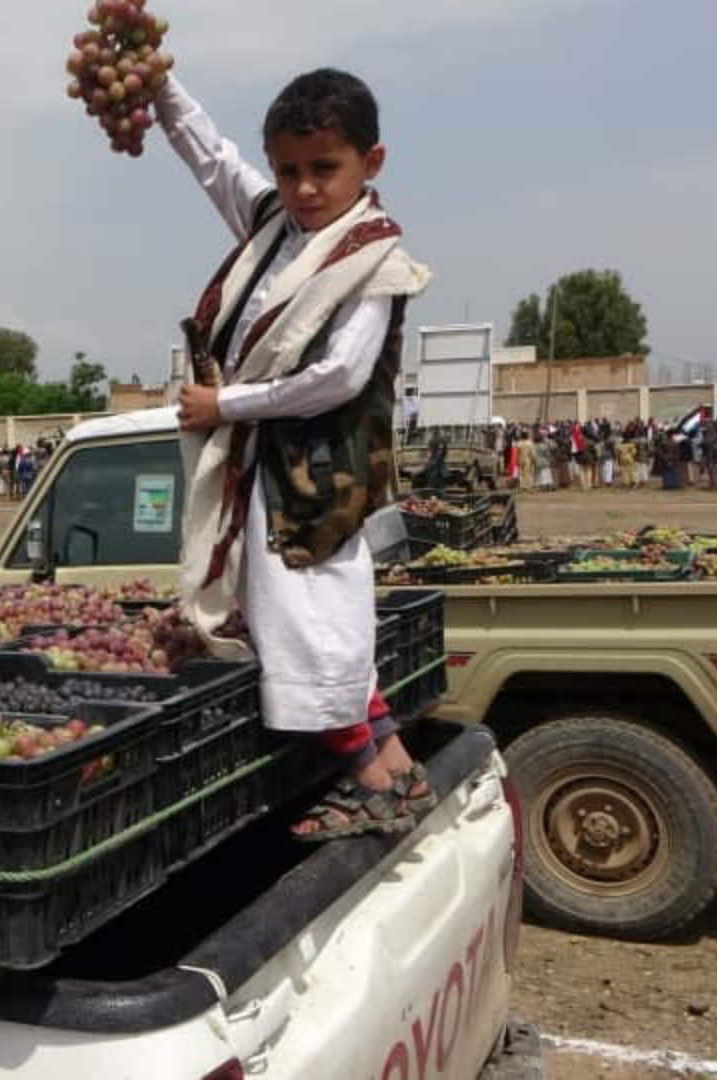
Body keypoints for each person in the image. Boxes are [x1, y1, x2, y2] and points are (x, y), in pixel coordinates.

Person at [161, 67, 433, 840]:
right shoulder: (274, 227)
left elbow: (339, 376)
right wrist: (159, 90)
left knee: (304, 632)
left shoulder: (373, 261)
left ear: (370, 162)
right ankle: (400, 773)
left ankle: (368, 781)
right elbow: (212, 159)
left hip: (312, 482)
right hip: (263, 471)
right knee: (316, 630)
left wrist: (225, 405)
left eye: (324, 169)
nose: (305, 188)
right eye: (288, 171)